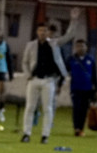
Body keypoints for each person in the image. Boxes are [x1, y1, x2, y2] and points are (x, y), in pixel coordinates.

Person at [20, 8, 80, 144]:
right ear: (37, 32)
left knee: (47, 108)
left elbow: (69, 35)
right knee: (30, 107)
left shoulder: (54, 43)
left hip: (49, 80)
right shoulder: (31, 45)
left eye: (45, 31)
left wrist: (74, 19)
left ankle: (45, 135)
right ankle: (26, 133)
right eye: (40, 30)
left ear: (47, 32)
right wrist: (28, 75)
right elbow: (25, 62)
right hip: (34, 79)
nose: (42, 33)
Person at [66, 39, 97, 137]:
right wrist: (59, 84)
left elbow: (94, 76)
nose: (80, 48)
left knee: (84, 110)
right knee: (76, 108)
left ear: (86, 47)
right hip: (75, 88)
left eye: (82, 46)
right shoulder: (71, 59)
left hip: (87, 89)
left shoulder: (91, 59)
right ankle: (76, 128)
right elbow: (64, 72)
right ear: (75, 48)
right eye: (78, 46)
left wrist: (96, 90)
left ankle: (81, 128)